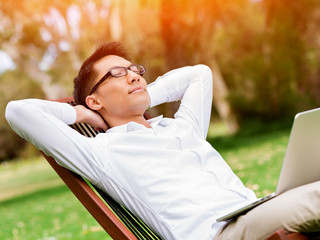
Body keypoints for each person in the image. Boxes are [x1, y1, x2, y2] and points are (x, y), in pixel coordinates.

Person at [5, 42, 320, 240]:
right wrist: (83, 114)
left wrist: (141, 95)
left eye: (135, 70)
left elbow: (199, 74)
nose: (133, 76)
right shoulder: (102, 154)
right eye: (116, 74)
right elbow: (18, 112)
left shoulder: (181, 128)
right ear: (95, 100)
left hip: (255, 213)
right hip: (217, 234)